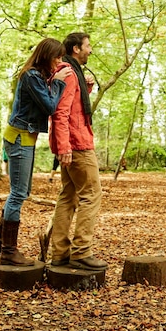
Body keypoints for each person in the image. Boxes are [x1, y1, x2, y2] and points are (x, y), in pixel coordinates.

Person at [0, 38, 71, 266]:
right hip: (19, 139)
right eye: (57, 57)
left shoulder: (39, 76)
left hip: (24, 139)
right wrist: (59, 83)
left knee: (20, 191)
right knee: (18, 194)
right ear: (46, 55)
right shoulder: (32, 76)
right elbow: (50, 106)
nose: (60, 61)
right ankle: (8, 251)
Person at [49, 32, 107, 271]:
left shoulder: (69, 73)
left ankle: (60, 253)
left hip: (71, 143)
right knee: (91, 195)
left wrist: (87, 90)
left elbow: (72, 107)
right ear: (75, 49)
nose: (90, 50)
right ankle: (81, 251)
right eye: (87, 46)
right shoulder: (69, 74)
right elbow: (60, 113)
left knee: (68, 195)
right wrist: (64, 147)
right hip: (77, 145)